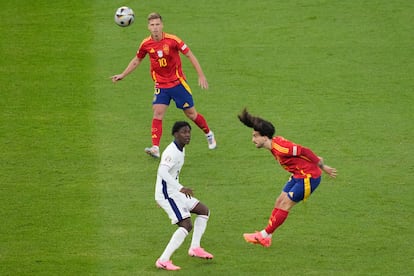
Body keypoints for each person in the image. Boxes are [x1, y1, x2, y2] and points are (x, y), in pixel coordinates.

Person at [111, 12, 216, 158]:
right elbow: (137, 60)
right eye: (152, 25)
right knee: (158, 112)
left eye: (157, 25)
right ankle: (155, 147)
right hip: (161, 85)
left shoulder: (172, 40)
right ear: (148, 27)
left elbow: (189, 55)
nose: (155, 28)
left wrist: (201, 75)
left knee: (191, 114)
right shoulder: (146, 44)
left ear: (162, 25)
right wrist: (123, 74)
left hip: (178, 83)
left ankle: (208, 133)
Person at [237, 108, 337, 247]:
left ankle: (263, 235)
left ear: (265, 137)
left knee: (285, 204)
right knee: (279, 201)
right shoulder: (274, 146)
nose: (253, 139)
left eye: (255, 136)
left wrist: (322, 165)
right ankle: (268, 236)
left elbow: (304, 150)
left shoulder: (281, 148)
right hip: (298, 175)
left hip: (309, 177)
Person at [154, 121, 213, 271]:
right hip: (167, 194)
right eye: (183, 132)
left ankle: (195, 248)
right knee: (186, 225)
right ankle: (163, 260)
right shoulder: (171, 152)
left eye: (189, 132)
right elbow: (162, 172)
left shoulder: (180, 148)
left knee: (203, 211)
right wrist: (179, 188)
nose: (187, 135)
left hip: (173, 192)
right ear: (175, 134)